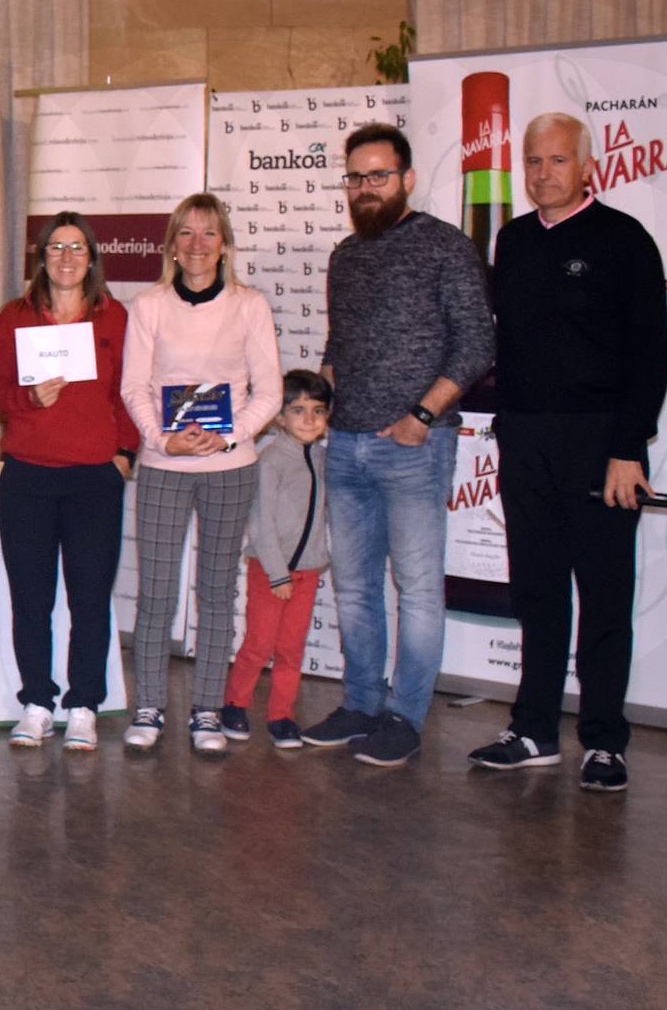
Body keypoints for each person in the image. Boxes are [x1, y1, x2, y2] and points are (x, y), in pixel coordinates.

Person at [467, 112, 667, 793]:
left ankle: (605, 741)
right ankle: (533, 729)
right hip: (527, 440)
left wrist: (626, 449)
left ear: (587, 166)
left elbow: (650, 354)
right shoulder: (515, 241)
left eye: (556, 160)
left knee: (605, 593)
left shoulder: (624, 240)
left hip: (600, 444)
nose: (543, 172)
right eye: (533, 161)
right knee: (537, 588)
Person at [306, 122, 493, 767]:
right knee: (355, 588)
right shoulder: (344, 257)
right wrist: (320, 399)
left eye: (377, 176)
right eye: (355, 178)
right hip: (347, 444)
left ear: (407, 179)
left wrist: (420, 414)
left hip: (415, 446)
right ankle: (360, 703)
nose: (364, 188)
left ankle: (406, 716)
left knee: (417, 589)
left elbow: (476, 344)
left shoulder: (446, 246)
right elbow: (340, 344)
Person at [117, 194, 280, 755]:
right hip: (165, 465)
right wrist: (163, 439)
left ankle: (208, 708)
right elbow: (133, 386)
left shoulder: (249, 305)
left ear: (225, 244)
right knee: (157, 591)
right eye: (185, 233)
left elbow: (270, 393)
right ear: (171, 245)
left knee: (216, 590)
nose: (197, 245)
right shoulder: (149, 305)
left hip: (229, 466)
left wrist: (227, 437)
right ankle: (150, 705)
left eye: (208, 234)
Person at [0, 211, 137, 753]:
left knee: (90, 597)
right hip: (28, 478)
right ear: (40, 259)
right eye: (55, 248)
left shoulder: (115, 319)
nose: (66, 258)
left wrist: (124, 455)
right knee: (32, 598)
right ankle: (37, 703)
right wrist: (28, 397)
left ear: (91, 258)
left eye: (77, 248)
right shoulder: (15, 317)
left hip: (95, 479)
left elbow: (131, 393)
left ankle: (84, 704)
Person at [227, 369, 335, 751]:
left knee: (291, 648)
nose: (309, 420)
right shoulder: (270, 459)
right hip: (270, 571)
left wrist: (319, 560)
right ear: (279, 416)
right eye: (299, 410)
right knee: (259, 644)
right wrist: (276, 574)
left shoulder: (324, 458)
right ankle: (235, 705)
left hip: (306, 572)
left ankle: (281, 715)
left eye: (318, 411)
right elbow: (260, 522)